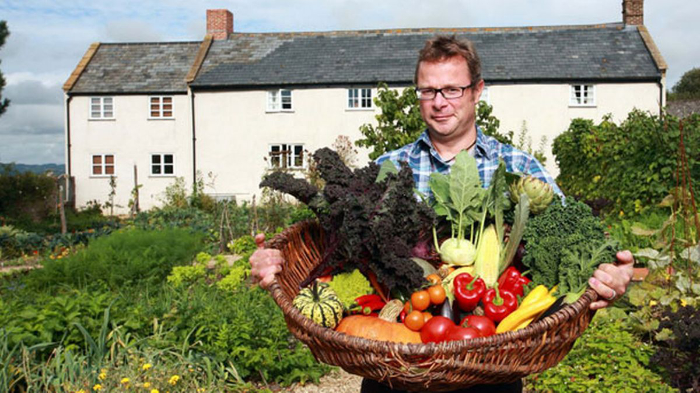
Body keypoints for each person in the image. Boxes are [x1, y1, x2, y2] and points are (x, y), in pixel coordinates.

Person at [251, 35, 634, 392]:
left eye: (452, 89)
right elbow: (332, 240)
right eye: (428, 90)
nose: (439, 102)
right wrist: (277, 260)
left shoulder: (519, 167)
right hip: (393, 375)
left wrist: (613, 271)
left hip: (492, 374)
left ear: (477, 91)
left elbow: (576, 237)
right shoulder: (387, 167)